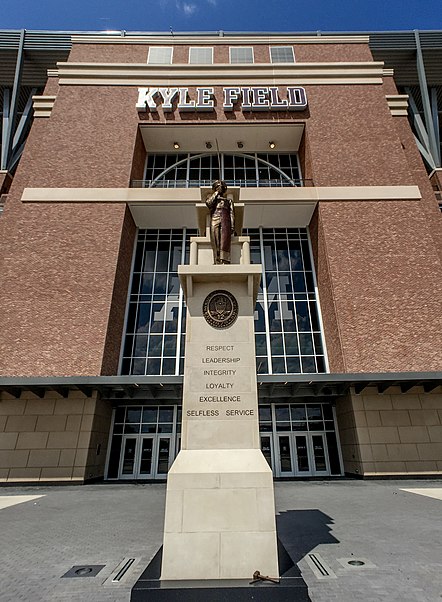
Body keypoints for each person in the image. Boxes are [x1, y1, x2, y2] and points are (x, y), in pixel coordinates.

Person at [206, 180, 235, 264]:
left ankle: (224, 259)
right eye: (218, 187)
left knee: (225, 240)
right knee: (215, 239)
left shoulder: (229, 201)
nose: (220, 188)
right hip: (215, 218)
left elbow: (232, 214)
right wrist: (215, 194)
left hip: (225, 220)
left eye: (222, 187)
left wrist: (232, 226)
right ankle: (216, 259)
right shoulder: (212, 199)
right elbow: (208, 203)